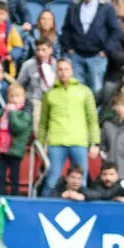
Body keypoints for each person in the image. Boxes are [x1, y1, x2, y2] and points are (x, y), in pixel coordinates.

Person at [39, 60, 101, 197]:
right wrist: (41, 142)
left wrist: (95, 142)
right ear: (56, 72)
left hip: (79, 141)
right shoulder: (50, 93)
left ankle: (81, 208)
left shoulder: (84, 91)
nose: (63, 73)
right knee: (52, 179)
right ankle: (45, 206)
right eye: (60, 69)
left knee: (80, 181)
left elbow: (92, 119)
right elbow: (43, 122)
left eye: (66, 69)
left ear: (72, 71)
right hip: (56, 142)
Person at [59, 0, 121, 95]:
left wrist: (106, 51)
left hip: (97, 56)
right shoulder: (74, 6)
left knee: (96, 90)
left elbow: (115, 30)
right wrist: (68, 48)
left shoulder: (106, 7)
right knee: (75, 89)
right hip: (76, 56)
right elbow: (66, 28)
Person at [0, 83, 32, 196]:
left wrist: (12, 113)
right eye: (12, 96)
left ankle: (15, 195)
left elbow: (17, 127)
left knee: (14, 175)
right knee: (0, 174)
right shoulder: (6, 109)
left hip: (16, 149)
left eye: (17, 96)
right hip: (4, 148)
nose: (14, 99)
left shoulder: (25, 113)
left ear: (23, 97)